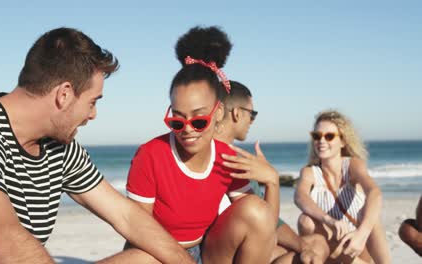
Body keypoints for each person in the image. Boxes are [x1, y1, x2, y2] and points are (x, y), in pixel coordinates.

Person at [0, 27, 195, 264]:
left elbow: (126, 215)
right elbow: (6, 245)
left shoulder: (58, 144)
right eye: (92, 102)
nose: (93, 115)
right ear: (65, 94)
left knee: (149, 258)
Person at [126, 26, 279, 263]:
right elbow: (136, 231)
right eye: (177, 120)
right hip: (155, 254)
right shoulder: (151, 155)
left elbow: (263, 228)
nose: (187, 129)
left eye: (198, 120)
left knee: (256, 209)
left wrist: (272, 181)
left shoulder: (226, 157)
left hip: (208, 251)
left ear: (218, 113)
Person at [215, 80, 329, 263]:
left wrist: (302, 246)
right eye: (252, 114)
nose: (252, 121)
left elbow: (271, 224)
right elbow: (265, 226)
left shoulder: (226, 155)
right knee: (310, 251)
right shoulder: (228, 160)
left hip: (243, 246)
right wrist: (272, 181)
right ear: (237, 113)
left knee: (317, 244)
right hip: (229, 253)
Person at [294, 110, 391, 263]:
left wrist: (361, 233)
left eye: (329, 136)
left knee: (369, 211)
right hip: (331, 254)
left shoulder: (353, 165)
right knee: (306, 220)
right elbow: (300, 197)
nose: (322, 141)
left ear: (343, 141)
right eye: (317, 136)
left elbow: (375, 193)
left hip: (358, 250)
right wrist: (329, 220)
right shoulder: (309, 173)